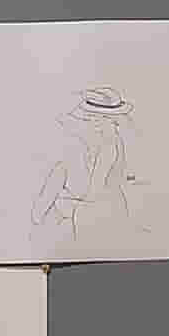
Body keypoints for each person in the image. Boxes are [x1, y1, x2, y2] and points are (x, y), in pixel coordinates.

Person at [31, 87, 135, 245]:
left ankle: (39, 214)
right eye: (90, 117)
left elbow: (94, 194)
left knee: (60, 173)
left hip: (104, 206)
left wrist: (65, 202)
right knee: (61, 171)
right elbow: (72, 126)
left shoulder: (108, 147)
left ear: (109, 119)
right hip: (106, 199)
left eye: (95, 117)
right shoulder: (109, 139)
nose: (91, 121)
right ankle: (39, 213)